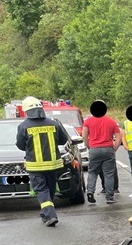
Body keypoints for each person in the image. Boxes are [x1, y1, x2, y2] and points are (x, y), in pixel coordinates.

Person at [15, 96, 70, 227]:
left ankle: (50, 215)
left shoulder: (23, 126)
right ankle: (45, 214)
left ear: (27, 111)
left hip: (35, 166)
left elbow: (20, 145)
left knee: (41, 191)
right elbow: (63, 140)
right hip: (53, 165)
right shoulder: (53, 123)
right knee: (49, 190)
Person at [82, 100, 122, 204]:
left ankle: (90, 191)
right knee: (108, 174)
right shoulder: (111, 121)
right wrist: (115, 148)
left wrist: (88, 146)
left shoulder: (88, 121)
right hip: (108, 149)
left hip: (94, 149)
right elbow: (118, 137)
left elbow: (84, 136)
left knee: (92, 172)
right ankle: (109, 197)